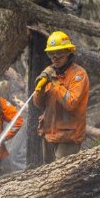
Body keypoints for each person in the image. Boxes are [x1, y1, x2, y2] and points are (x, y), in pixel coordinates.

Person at [33, 30, 90, 163]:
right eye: (51, 53)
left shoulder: (78, 75)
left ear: (68, 52)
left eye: (58, 53)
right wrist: (40, 90)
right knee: (47, 175)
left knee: (61, 178)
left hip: (68, 137)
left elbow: (70, 103)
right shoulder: (52, 74)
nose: (54, 57)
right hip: (49, 135)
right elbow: (39, 104)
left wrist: (53, 82)